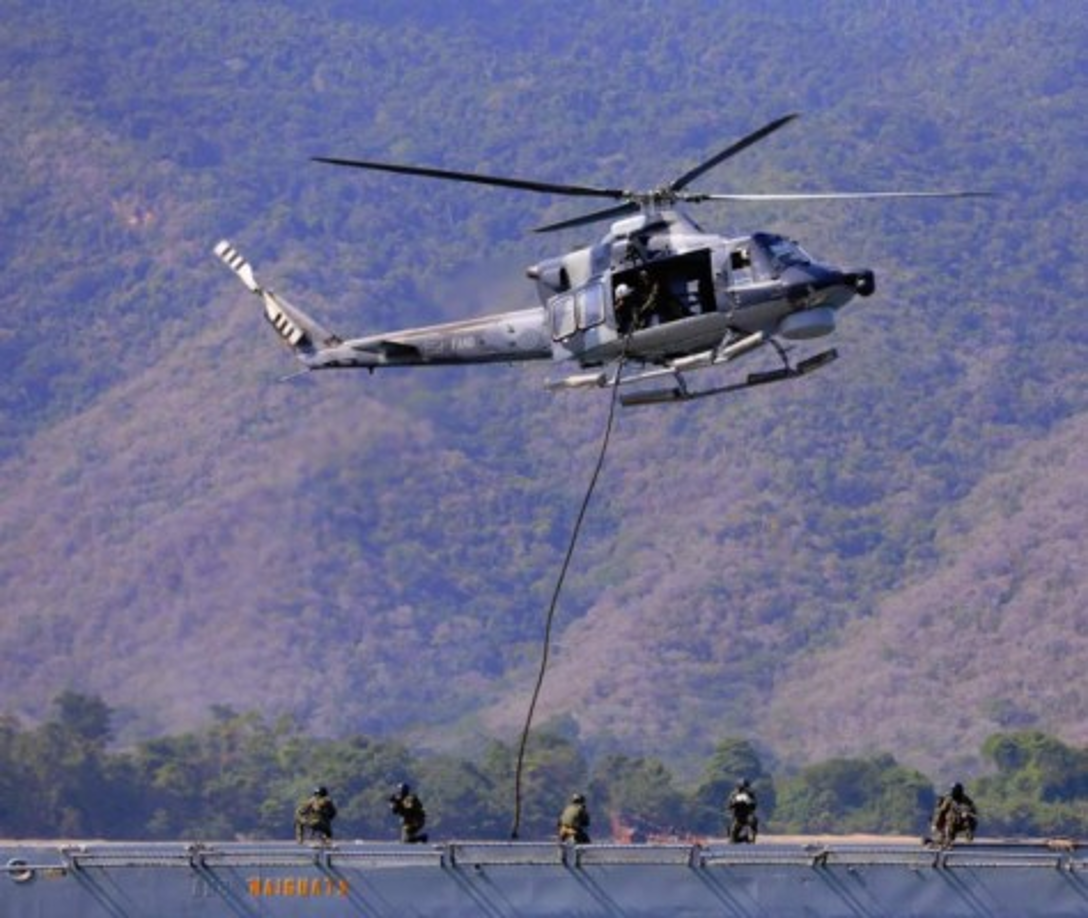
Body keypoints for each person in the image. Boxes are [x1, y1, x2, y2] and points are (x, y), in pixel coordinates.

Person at [931, 782, 978, 848]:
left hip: (962, 823)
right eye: (952, 790)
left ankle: (968, 838)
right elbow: (941, 812)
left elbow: (973, 811)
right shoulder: (949, 799)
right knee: (946, 837)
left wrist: (967, 813)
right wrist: (935, 824)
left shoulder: (966, 800)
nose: (953, 792)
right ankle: (945, 841)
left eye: (954, 790)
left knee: (969, 820)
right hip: (951, 823)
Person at [726, 779, 759, 844]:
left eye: (746, 788)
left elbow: (754, 806)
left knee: (753, 820)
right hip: (737, 818)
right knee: (732, 840)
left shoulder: (750, 794)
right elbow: (728, 806)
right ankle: (744, 838)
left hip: (747, 815)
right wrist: (735, 802)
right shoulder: (733, 794)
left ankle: (753, 837)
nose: (744, 790)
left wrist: (749, 802)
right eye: (743, 788)